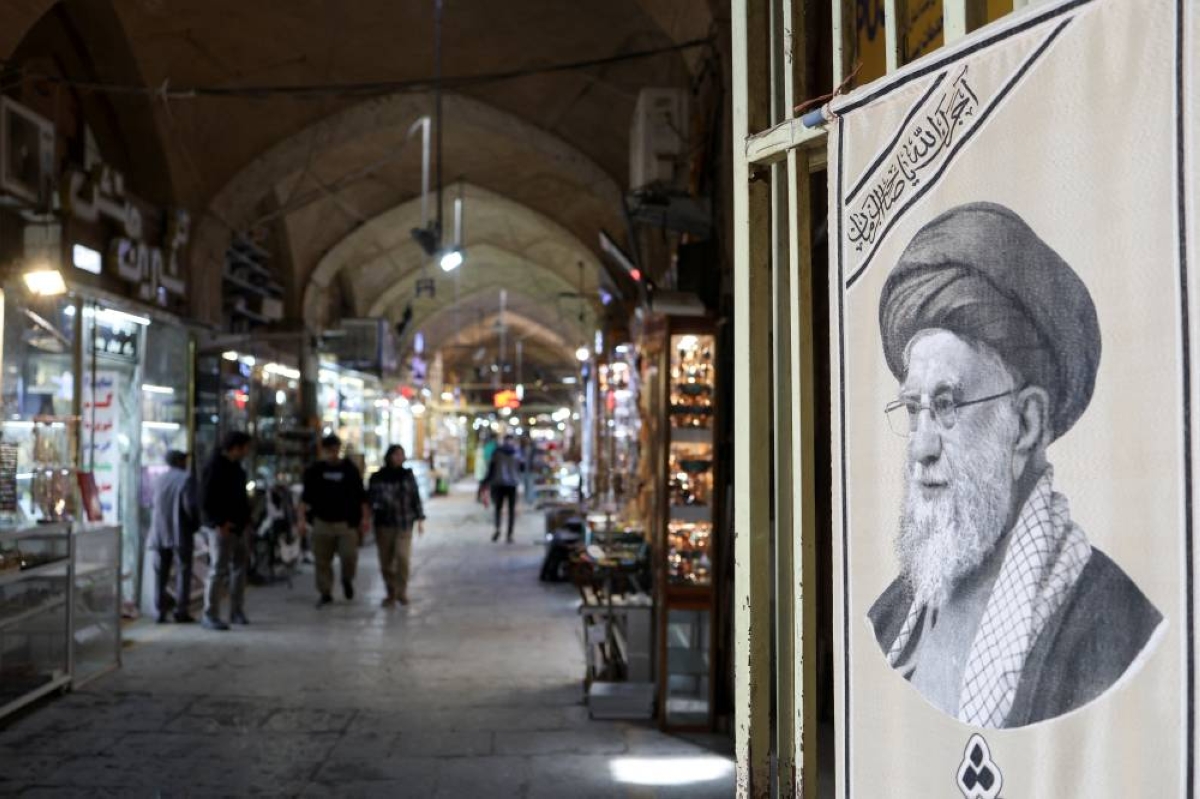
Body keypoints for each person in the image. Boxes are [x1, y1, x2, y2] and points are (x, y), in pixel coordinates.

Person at [868, 202, 1163, 729]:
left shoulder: (1113, 631)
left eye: (948, 405)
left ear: (1026, 423)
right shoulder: (890, 619)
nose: (921, 447)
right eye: (914, 410)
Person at [298, 434, 368, 607]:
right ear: (323, 451)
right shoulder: (315, 471)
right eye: (329, 450)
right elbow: (304, 498)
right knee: (322, 560)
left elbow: (361, 497)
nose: (332, 453)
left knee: (349, 556)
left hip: (346, 523)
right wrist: (300, 521)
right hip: (322, 522)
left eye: (335, 449)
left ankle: (347, 579)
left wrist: (364, 519)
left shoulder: (349, 470)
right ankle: (325, 591)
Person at [198, 432, 253, 631]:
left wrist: (246, 521)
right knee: (218, 570)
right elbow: (205, 500)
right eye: (245, 447)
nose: (247, 452)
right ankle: (210, 614)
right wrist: (219, 523)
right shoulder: (214, 467)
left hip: (239, 527)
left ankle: (236, 611)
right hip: (222, 529)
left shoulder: (237, 469)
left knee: (239, 569)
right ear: (235, 447)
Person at [368, 445, 425, 607]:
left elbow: (415, 496)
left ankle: (402, 591)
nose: (399, 458)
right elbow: (370, 499)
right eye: (396, 454)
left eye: (402, 454)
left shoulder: (407, 475)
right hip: (384, 524)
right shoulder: (377, 477)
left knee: (402, 557)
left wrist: (420, 518)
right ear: (389, 456)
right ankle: (391, 591)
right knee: (386, 561)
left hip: (404, 523)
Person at [147, 450, 198, 624]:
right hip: (180, 533)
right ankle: (180, 611)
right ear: (179, 461)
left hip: (159, 533)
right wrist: (195, 525)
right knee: (183, 571)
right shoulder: (186, 479)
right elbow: (190, 506)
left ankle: (159, 612)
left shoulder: (158, 480)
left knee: (161, 573)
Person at [479, 433, 521, 543]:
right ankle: (509, 534)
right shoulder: (516, 452)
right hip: (512, 484)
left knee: (498, 508)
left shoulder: (497, 452)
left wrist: (485, 482)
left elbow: (491, 469)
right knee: (511, 510)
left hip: (498, 483)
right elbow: (521, 467)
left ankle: (497, 529)